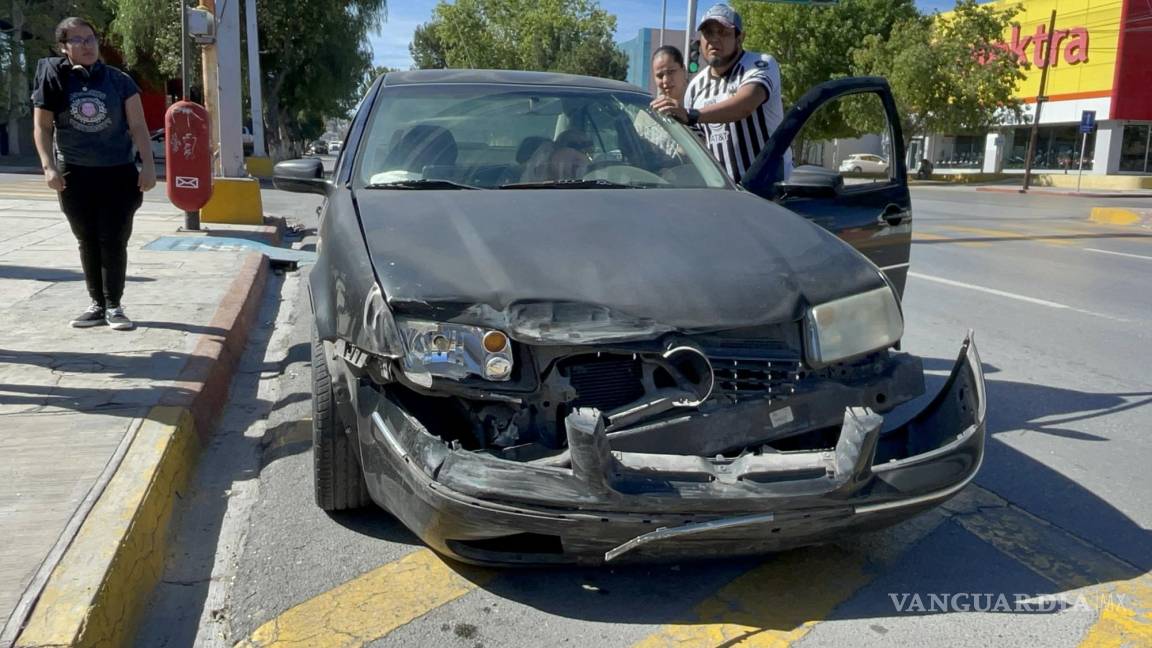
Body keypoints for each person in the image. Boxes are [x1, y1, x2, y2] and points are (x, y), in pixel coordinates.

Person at [32, 17, 156, 331]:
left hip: (118, 172)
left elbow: (138, 126)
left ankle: (115, 305)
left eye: (90, 39)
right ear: (63, 47)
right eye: (77, 40)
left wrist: (149, 165)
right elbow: (42, 128)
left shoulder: (119, 81)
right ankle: (96, 305)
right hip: (74, 173)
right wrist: (48, 166)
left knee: (113, 239)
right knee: (86, 240)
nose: (86, 46)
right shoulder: (54, 80)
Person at [651, 3, 792, 183]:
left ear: (739, 38)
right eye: (708, 33)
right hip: (724, 193)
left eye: (723, 32)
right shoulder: (695, 87)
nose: (714, 39)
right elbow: (698, 143)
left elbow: (745, 105)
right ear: (700, 40)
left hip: (768, 189)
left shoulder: (760, 64)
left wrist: (691, 114)